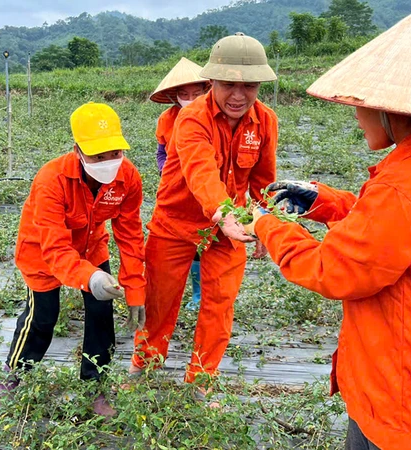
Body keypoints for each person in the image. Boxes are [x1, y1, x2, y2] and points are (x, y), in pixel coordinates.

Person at [244, 8, 411, 450]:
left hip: (403, 394)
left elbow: (333, 270)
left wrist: (268, 225)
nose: (356, 114)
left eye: (361, 105)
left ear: (392, 111)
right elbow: (396, 234)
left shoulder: (406, 187)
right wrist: (325, 202)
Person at [129, 33, 278, 393]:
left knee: (219, 305)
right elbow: (201, 173)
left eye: (250, 86)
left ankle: (202, 381)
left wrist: (264, 223)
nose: (239, 96)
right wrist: (223, 215)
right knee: (160, 301)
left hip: (231, 229)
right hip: (176, 221)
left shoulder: (265, 121)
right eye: (229, 85)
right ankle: (143, 368)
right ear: (211, 81)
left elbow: (263, 179)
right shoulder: (191, 119)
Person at [0, 102, 147, 417]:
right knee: (42, 318)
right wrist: (91, 278)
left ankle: (95, 388)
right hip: (43, 251)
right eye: (97, 156)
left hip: (92, 248)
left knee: (101, 315)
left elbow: (130, 235)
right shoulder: (52, 179)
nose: (108, 163)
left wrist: (135, 290)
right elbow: (55, 248)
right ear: (78, 150)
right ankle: (13, 377)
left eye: (114, 153)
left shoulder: (128, 177)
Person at [149, 57, 211, 311]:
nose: (190, 98)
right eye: (184, 94)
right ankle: (171, 296)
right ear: (175, 96)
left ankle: (200, 294)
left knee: (203, 242)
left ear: (207, 91)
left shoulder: (213, 117)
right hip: (176, 191)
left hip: (206, 188)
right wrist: (168, 171)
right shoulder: (167, 119)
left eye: (196, 93)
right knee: (176, 243)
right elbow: (161, 152)